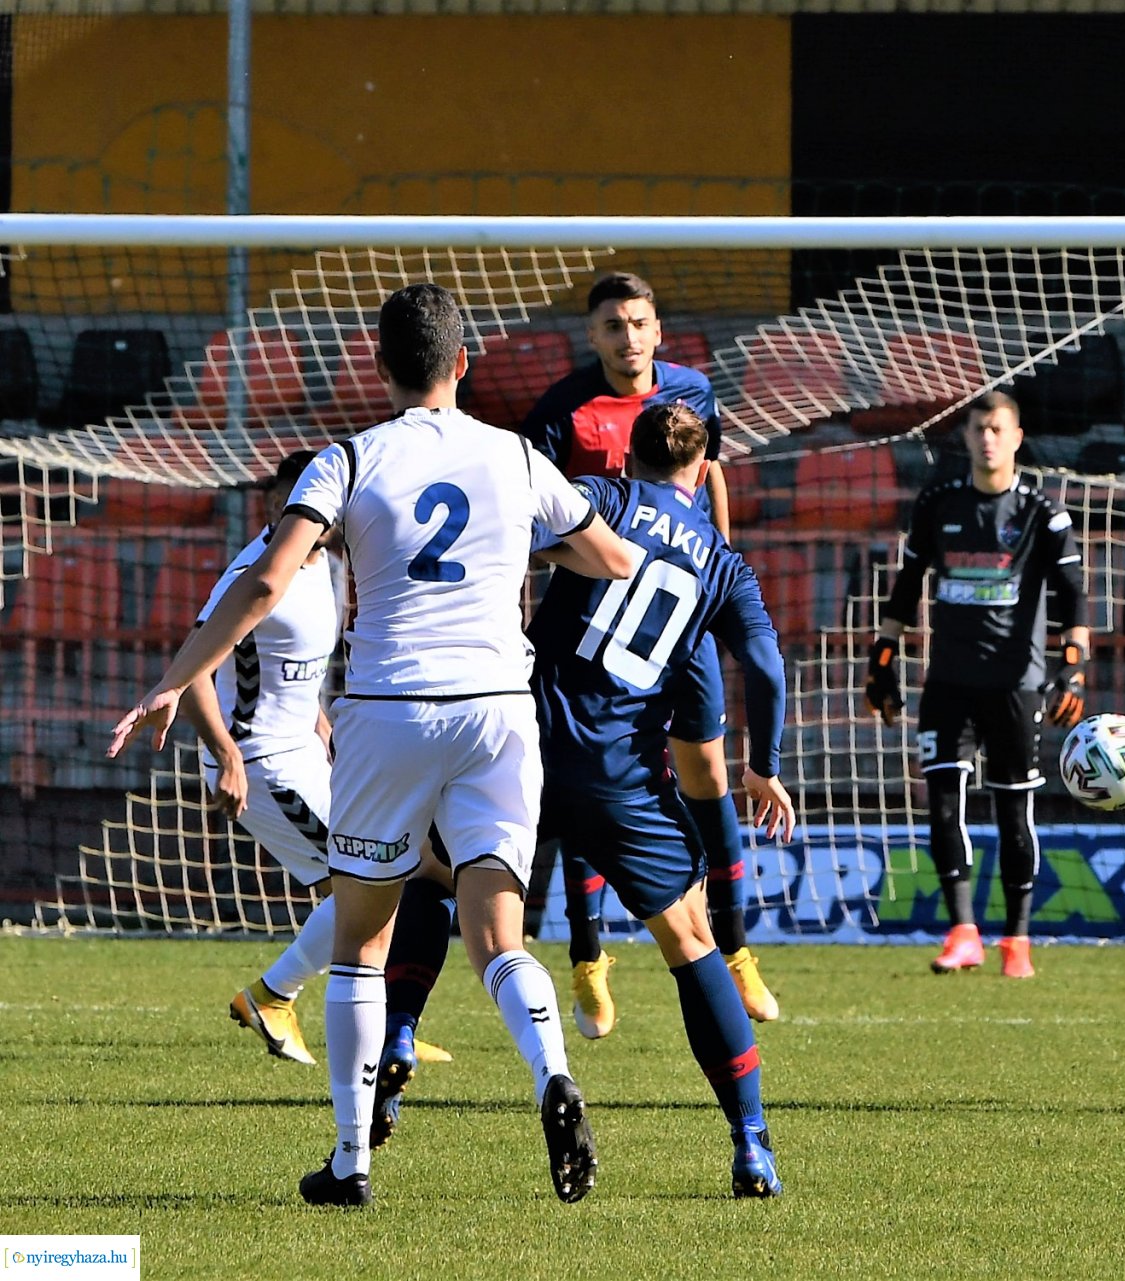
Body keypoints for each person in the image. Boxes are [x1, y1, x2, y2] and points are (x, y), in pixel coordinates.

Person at [109, 282, 639, 1207]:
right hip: (499, 710)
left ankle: (350, 1162)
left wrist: (172, 675)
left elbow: (269, 580)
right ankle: (552, 1070)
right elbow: (612, 559)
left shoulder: (346, 458)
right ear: (463, 364)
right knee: (497, 934)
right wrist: (518, 549)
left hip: (389, 711)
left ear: (380, 367)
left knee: (359, 941)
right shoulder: (517, 457)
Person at [528, 399, 795, 1196]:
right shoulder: (724, 564)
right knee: (690, 940)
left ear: (625, 460)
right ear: (704, 471)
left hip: (523, 750)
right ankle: (751, 1140)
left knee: (432, 882)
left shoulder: (604, 500)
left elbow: (520, 539)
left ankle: (388, 1063)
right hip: (625, 780)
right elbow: (768, 667)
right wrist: (763, 765)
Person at [519, 272, 778, 1033]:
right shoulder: (560, 413)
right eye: (611, 325)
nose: (627, 337)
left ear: (658, 329)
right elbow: (538, 518)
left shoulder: (695, 391)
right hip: (599, 616)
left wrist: (718, 560)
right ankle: (590, 959)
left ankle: (732, 949)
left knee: (706, 773)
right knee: (592, 765)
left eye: (638, 322)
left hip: (680, 609)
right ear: (592, 336)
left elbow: (711, 475)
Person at [187, 451, 458, 1078]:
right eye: (291, 502)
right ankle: (276, 996)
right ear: (271, 505)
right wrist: (227, 754)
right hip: (262, 762)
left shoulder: (331, 562)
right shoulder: (253, 574)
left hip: (306, 751)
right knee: (377, 877)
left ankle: (384, 1026)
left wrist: (323, 724)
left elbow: (295, 671)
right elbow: (192, 671)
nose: (306, 514)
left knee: (408, 871)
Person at [863, 391, 1089, 979]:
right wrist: (882, 656)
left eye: (998, 429)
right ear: (965, 438)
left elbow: (1074, 599)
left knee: (1015, 812)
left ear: (1016, 438)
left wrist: (1073, 666)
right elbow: (906, 585)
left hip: (1017, 684)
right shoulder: (938, 503)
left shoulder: (1044, 513)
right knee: (942, 805)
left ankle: (1017, 940)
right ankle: (963, 931)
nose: (987, 438)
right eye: (978, 429)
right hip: (949, 682)